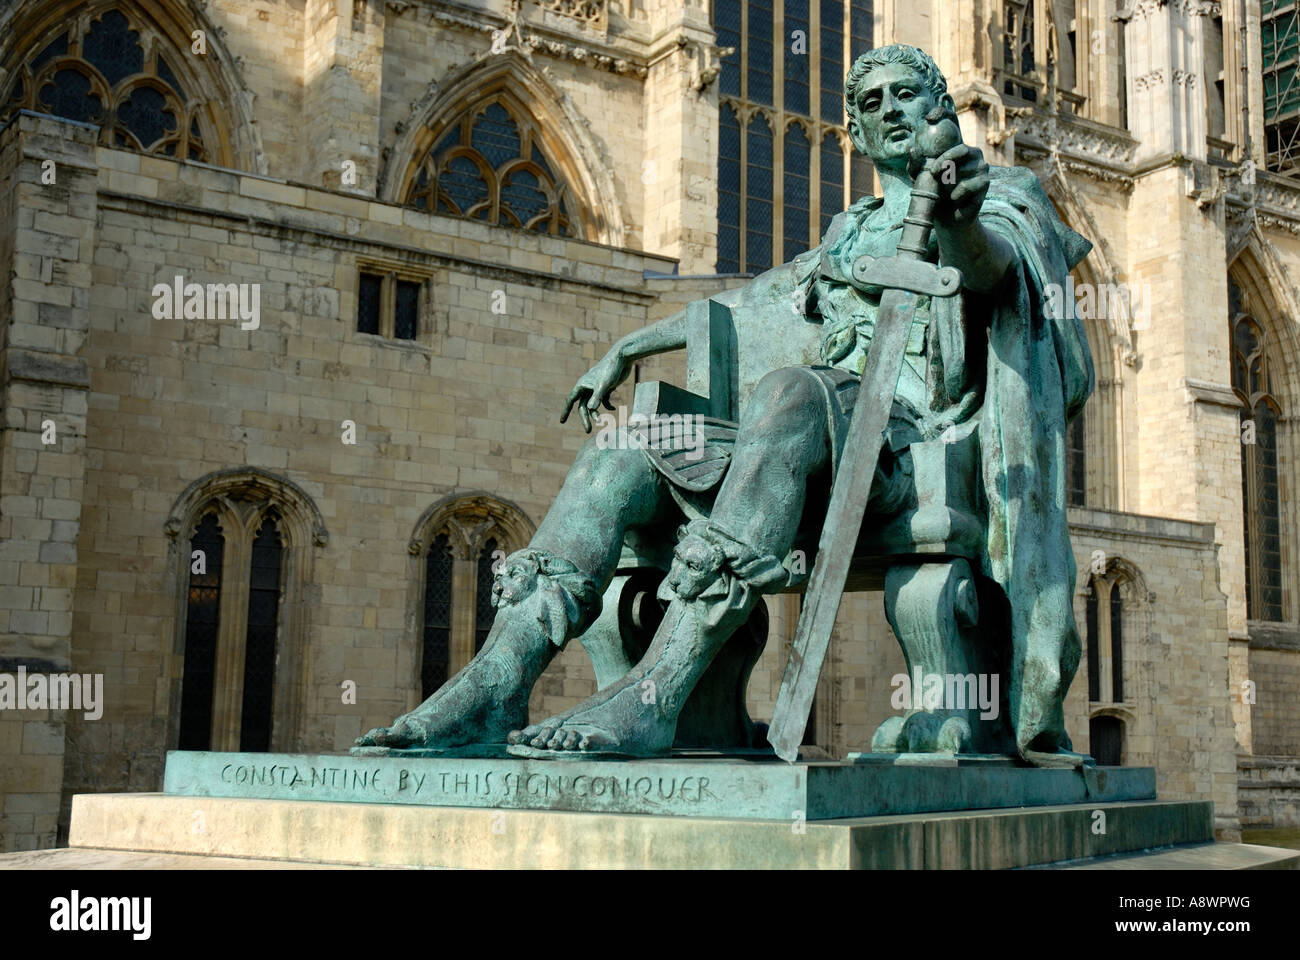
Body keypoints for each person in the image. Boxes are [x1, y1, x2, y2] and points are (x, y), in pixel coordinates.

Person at [356, 44, 1094, 761]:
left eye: (907, 93)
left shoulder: (996, 196)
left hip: (907, 446)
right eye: (872, 102)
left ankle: (657, 693)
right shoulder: (849, 232)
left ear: (941, 106)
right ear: (857, 132)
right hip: (812, 445)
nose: (891, 109)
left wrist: (957, 222)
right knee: (630, 435)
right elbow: (756, 300)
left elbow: (997, 271)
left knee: (793, 390)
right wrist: (635, 342)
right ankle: (496, 682)